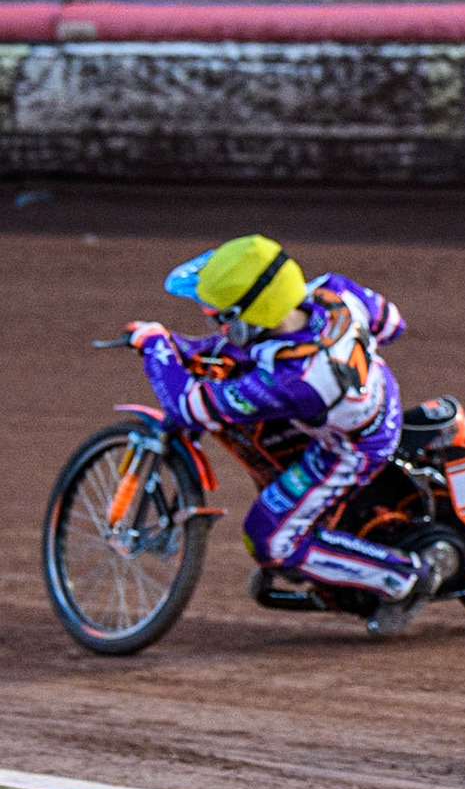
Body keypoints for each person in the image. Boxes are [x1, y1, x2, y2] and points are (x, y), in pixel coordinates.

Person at [125, 234, 443, 636]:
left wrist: (157, 347)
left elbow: (191, 407)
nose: (214, 323)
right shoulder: (334, 290)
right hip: (374, 394)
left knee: (269, 539)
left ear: (246, 316)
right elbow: (391, 324)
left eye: (219, 315)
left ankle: (403, 578)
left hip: (350, 448)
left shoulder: (292, 379)